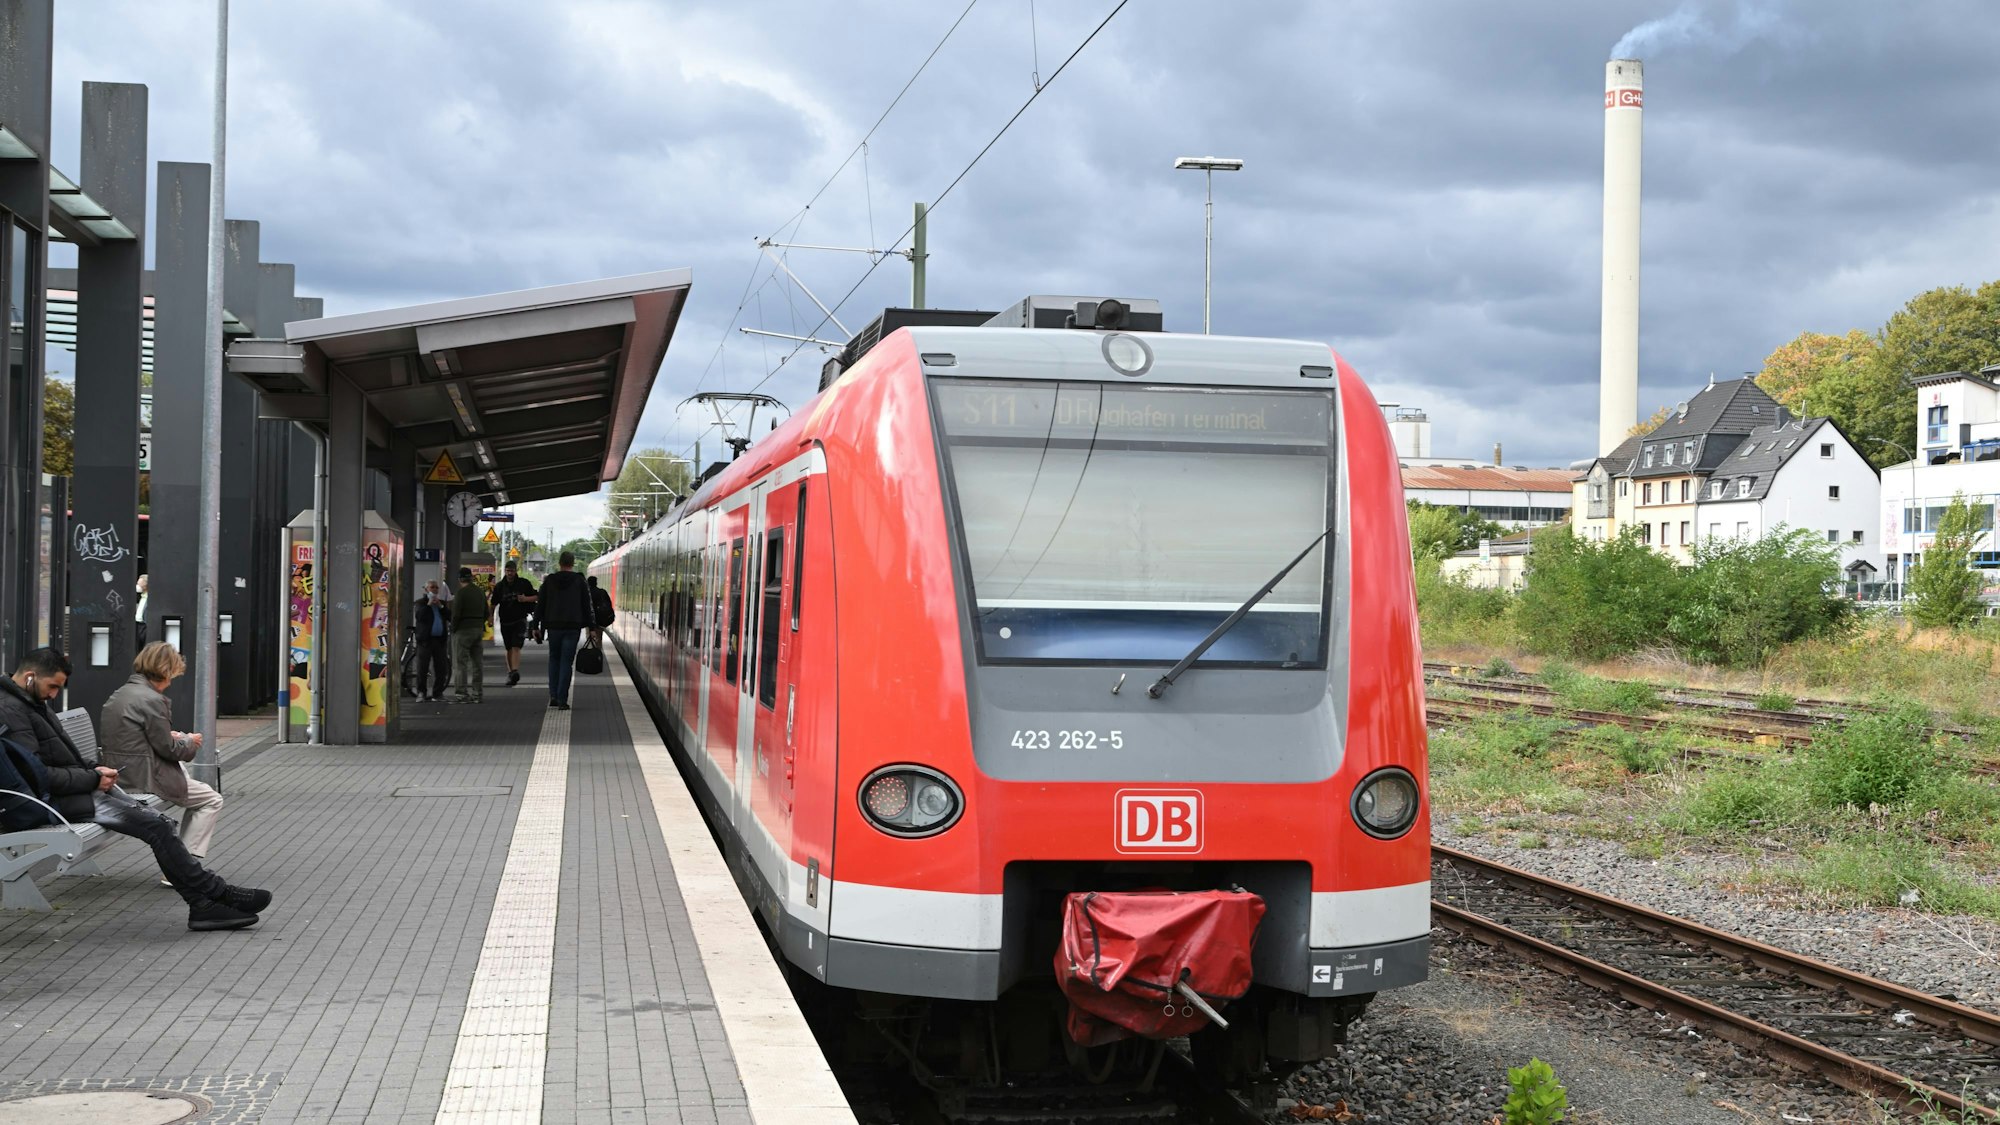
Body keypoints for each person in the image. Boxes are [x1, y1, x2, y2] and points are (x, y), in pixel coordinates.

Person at [0, 647, 270, 931]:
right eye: (52, 686)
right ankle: (214, 896)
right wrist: (92, 779)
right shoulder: (11, 710)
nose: (54, 694)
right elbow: (36, 775)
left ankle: (206, 903)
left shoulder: (29, 702)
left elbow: (59, 758)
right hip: (44, 804)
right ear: (30, 677)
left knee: (159, 823)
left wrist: (94, 771)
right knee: (157, 827)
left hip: (65, 793)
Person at [102, 643, 226, 877]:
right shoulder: (152, 700)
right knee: (211, 799)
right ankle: (184, 868)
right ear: (166, 671)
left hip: (124, 770)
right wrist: (190, 742)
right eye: (173, 674)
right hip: (144, 776)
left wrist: (173, 737)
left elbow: (135, 735)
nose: (172, 681)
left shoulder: (122, 693)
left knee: (198, 792)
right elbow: (170, 750)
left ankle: (182, 863)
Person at [536, 551, 594, 711]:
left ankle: (553, 695)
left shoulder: (549, 581)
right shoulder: (580, 581)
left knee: (554, 659)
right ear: (573, 563)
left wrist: (535, 626)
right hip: (572, 628)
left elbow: (540, 604)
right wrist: (592, 627)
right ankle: (562, 699)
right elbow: (587, 606)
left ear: (559, 563)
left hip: (553, 627)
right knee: (566, 663)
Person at [491, 561, 538, 687]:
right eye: (507, 571)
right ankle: (511, 672)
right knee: (508, 648)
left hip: (520, 620)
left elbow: (536, 597)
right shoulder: (500, 586)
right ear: (505, 571)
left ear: (516, 571)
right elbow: (493, 603)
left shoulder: (524, 584)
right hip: (505, 621)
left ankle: (515, 671)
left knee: (516, 646)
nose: (509, 573)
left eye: (511, 571)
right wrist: (490, 617)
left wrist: (525, 599)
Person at [448, 567, 491, 704]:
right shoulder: (479, 592)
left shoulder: (461, 593)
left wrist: (453, 629)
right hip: (478, 630)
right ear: (471, 577)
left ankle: (462, 694)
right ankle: (477, 694)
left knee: (460, 664)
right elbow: (486, 612)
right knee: (477, 664)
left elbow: (456, 614)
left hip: (462, 630)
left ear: (460, 579)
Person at [412, 578, 453, 701]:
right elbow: (420, 616)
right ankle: (421, 692)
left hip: (439, 640)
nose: (434, 590)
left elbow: (450, 616)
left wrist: (440, 606)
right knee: (422, 667)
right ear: (426, 590)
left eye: (436, 587)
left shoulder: (441, 603)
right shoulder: (420, 603)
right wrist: (429, 604)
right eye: (432, 587)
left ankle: (437, 693)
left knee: (441, 667)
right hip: (425, 640)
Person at [586, 574, 616, 649]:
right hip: (600, 620)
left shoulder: (587, 593)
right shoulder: (602, 592)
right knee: (599, 639)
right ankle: (598, 655)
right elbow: (609, 604)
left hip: (590, 620)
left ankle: (590, 653)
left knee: (590, 638)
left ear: (588, 583)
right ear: (596, 583)